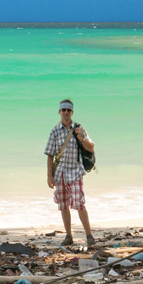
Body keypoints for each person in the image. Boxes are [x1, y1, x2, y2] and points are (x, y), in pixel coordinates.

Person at [44, 99, 96, 250]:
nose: (66, 112)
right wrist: (49, 175)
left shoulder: (79, 129)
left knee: (79, 203)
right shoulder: (55, 131)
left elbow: (90, 147)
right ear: (59, 112)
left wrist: (80, 138)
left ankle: (89, 235)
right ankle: (69, 236)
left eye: (68, 110)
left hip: (75, 171)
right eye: (63, 110)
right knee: (63, 205)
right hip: (60, 172)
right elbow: (49, 154)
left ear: (72, 112)